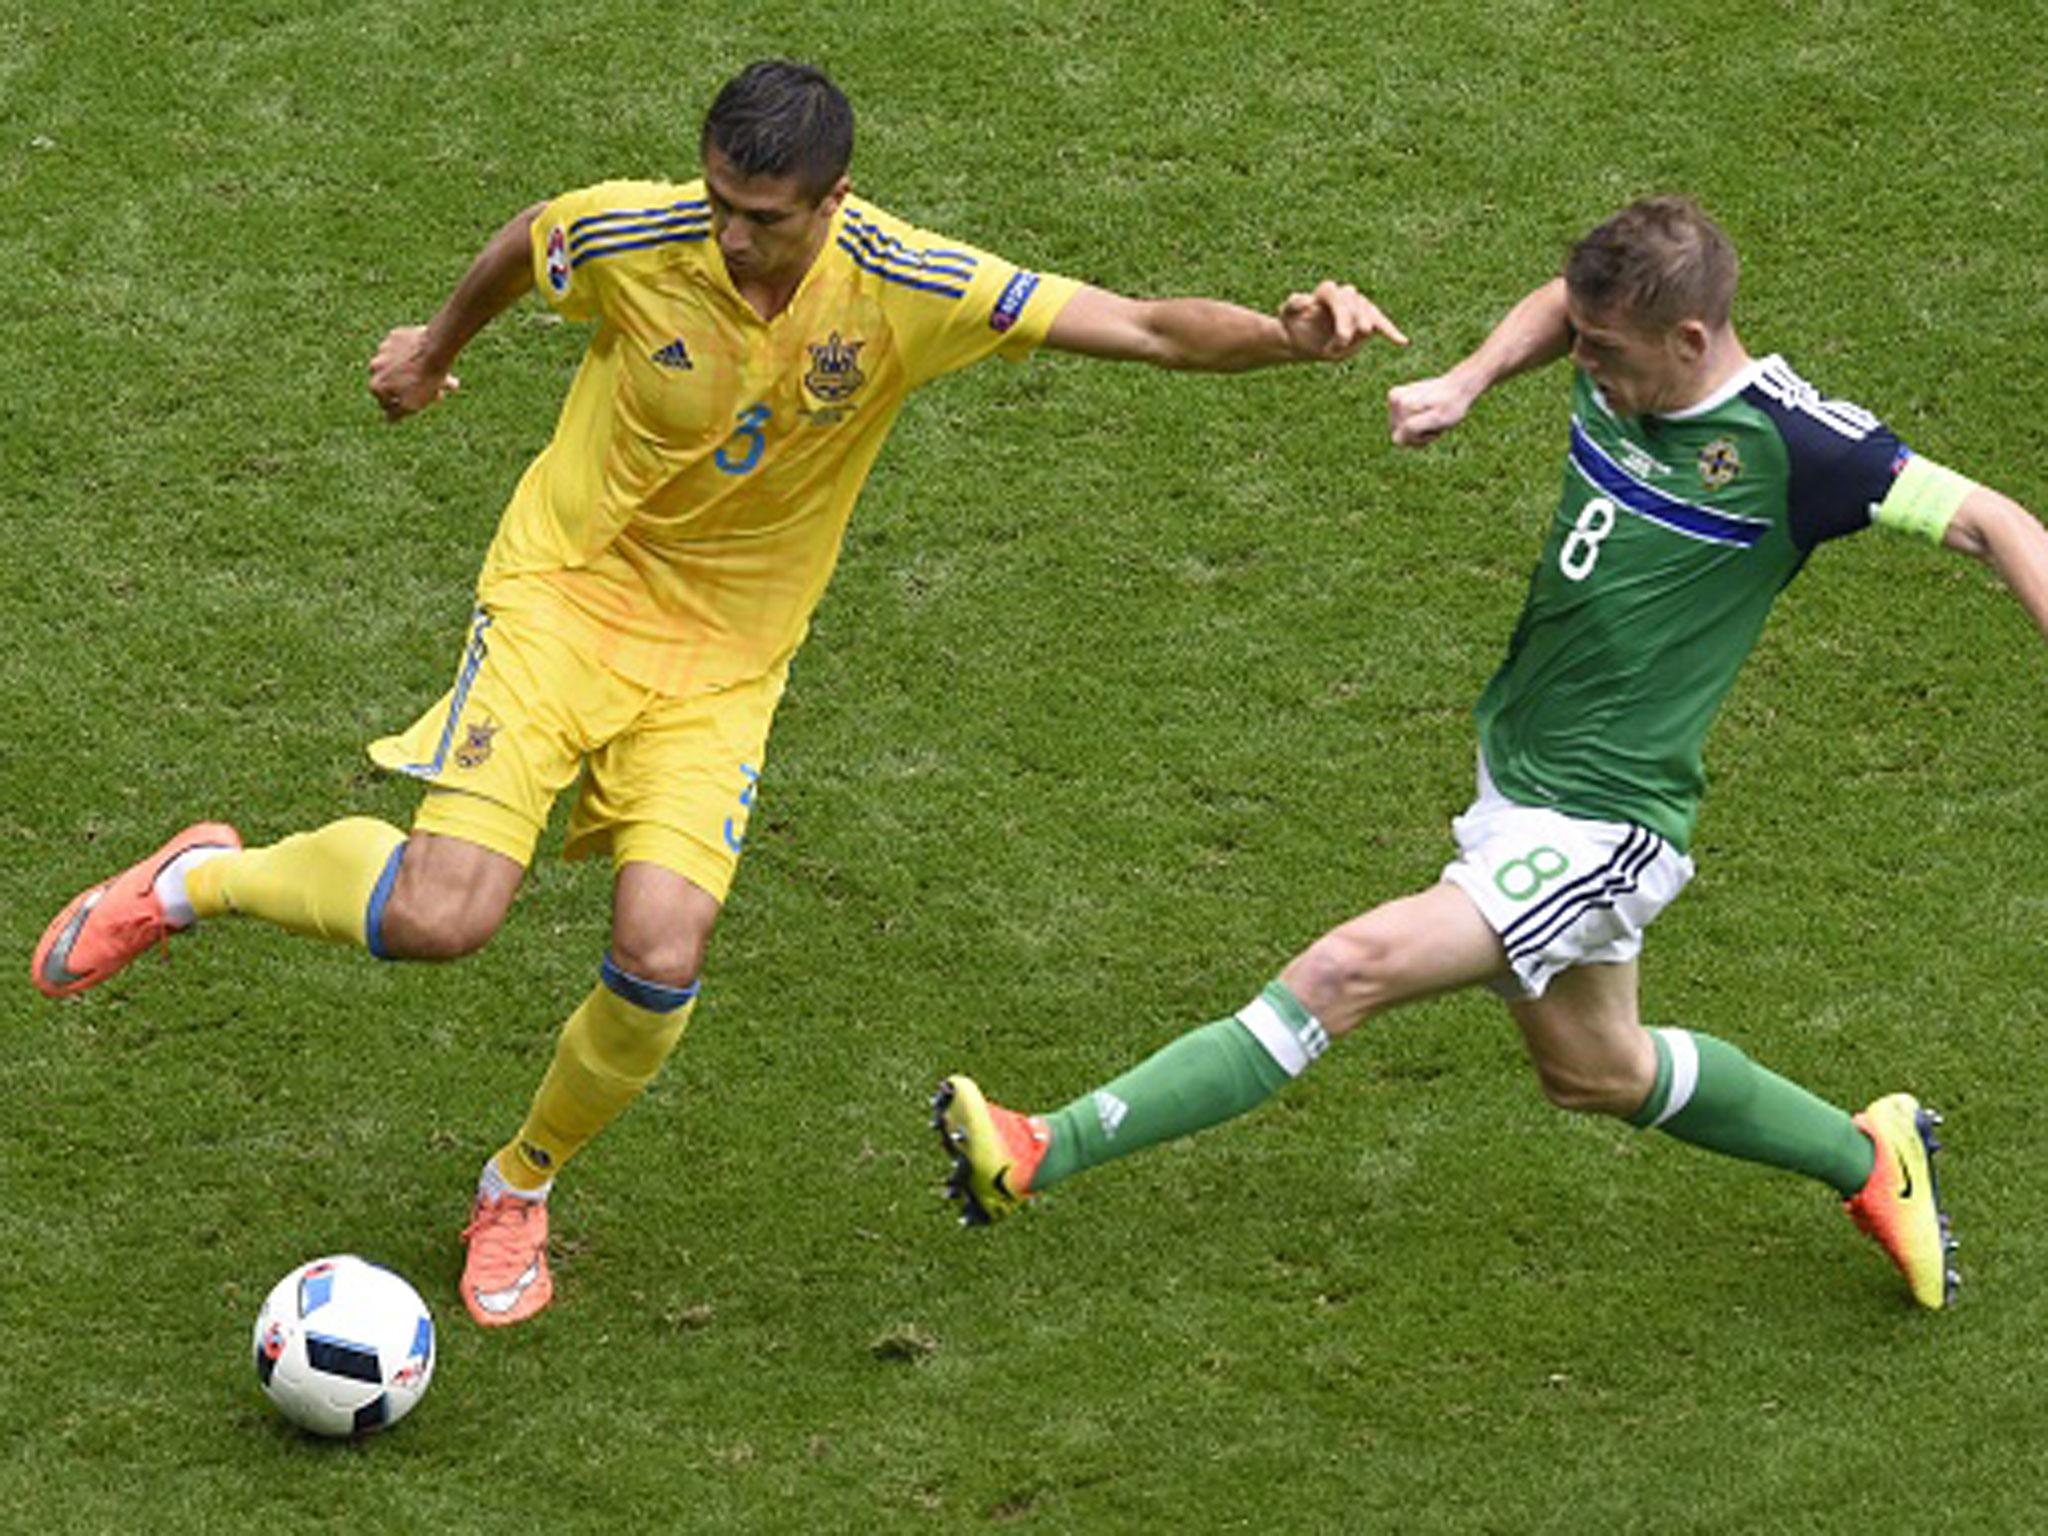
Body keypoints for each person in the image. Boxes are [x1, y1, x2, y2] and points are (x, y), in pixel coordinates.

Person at [30, 59, 1407, 1328]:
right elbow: (529, 238)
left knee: (661, 955)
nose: (732, 237)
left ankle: (519, 1187)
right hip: (564, 599)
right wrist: (438, 349)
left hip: (724, 668)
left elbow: (1147, 328)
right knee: (446, 917)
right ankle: (197, 881)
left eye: (764, 217)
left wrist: (1291, 341)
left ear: (834, 203)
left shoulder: (906, 285)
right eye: (720, 204)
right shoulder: (640, 239)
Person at [934, 195, 2048, 1311]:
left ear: (1692, 339)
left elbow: (1995, 519)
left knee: (1341, 974)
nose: (1588, 366)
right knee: (1594, 1071)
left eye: (1606, 354)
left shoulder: (1802, 449)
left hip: (1603, 823)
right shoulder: (1619, 344)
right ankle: (1871, 1159)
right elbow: (1564, 308)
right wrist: (1465, 382)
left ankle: (1040, 1148)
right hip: (1517, 775)